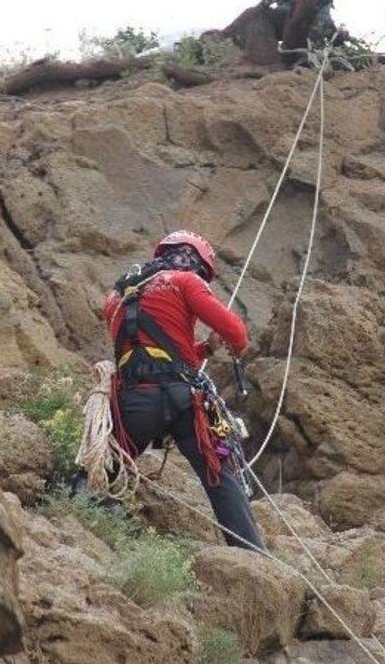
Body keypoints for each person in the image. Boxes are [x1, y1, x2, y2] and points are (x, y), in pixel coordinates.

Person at [104, 230, 265, 552]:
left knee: (104, 468)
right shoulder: (185, 281)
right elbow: (237, 333)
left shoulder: (116, 295)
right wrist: (234, 346)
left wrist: (203, 349)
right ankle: (252, 555)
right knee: (221, 477)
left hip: (133, 400)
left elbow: (149, 347)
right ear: (198, 264)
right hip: (182, 399)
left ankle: (86, 521)